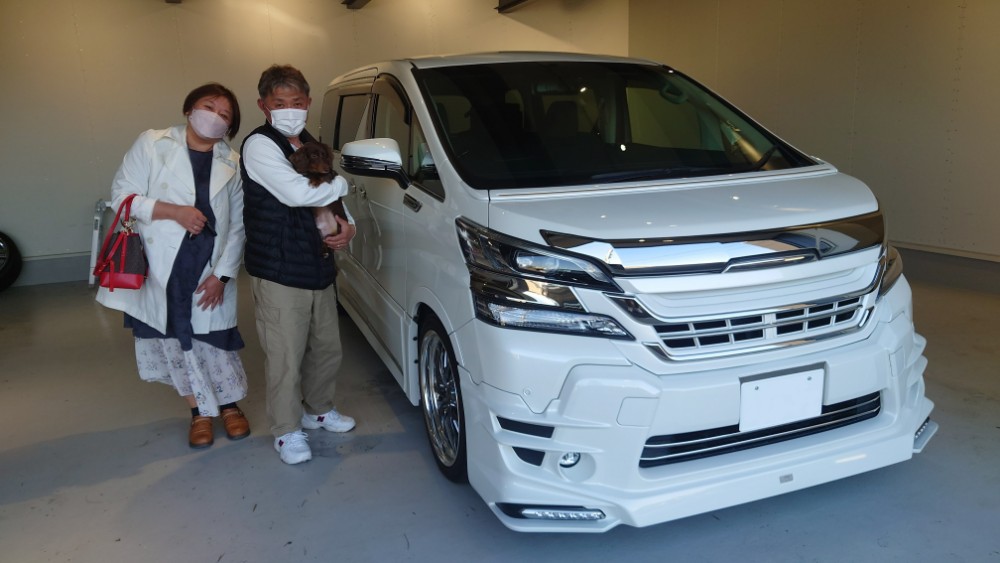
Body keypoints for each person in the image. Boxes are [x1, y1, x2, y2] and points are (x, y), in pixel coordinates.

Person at [96, 83, 250, 449]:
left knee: (214, 341)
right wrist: (173, 212)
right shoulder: (152, 143)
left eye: (224, 115)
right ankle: (199, 413)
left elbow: (238, 226)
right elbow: (121, 197)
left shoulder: (232, 163)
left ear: (229, 127)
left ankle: (229, 407)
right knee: (173, 340)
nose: (214, 117)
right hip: (161, 266)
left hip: (207, 267)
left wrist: (222, 276)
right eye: (208, 106)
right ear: (188, 109)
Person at [240, 64, 357, 465]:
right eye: (279, 103)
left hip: (317, 264)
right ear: (263, 106)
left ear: (307, 103)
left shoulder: (309, 142)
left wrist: (348, 227)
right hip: (280, 268)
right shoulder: (260, 145)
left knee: (327, 348)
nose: (289, 109)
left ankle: (318, 409)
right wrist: (344, 182)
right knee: (285, 356)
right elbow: (298, 194)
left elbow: (330, 200)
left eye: (296, 101)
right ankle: (286, 431)